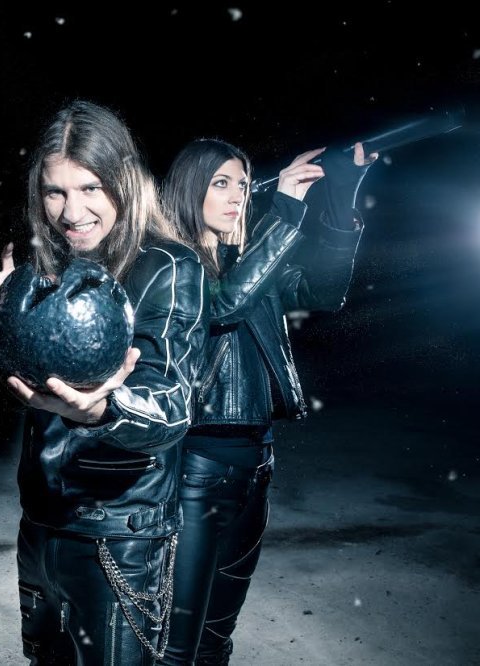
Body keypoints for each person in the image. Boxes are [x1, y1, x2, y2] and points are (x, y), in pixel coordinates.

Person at [0, 100, 210, 664]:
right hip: (40, 524)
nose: (71, 211)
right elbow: (32, 393)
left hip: (120, 536)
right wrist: (9, 323)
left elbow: (172, 405)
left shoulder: (167, 267)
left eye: (89, 188)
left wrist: (104, 410)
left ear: (123, 182)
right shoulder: (46, 269)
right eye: (54, 192)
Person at [157, 138, 375, 665]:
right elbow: (224, 304)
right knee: (173, 643)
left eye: (241, 183)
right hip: (195, 472)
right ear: (189, 191)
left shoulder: (253, 258)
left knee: (215, 638)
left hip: (256, 466)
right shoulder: (170, 265)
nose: (237, 196)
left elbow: (324, 292)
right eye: (221, 184)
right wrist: (285, 210)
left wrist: (341, 196)